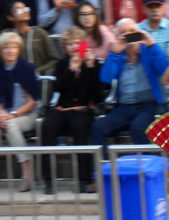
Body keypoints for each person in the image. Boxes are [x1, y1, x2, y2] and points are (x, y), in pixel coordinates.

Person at [40, 26, 102, 195]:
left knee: (78, 127)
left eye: (77, 43)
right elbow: (58, 88)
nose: (74, 47)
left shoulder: (93, 63)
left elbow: (96, 96)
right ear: (64, 47)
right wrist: (71, 70)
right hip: (63, 108)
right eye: (69, 44)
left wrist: (89, 68)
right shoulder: (62, 64)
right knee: (47, 126)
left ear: (84, 44)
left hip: (82, 110)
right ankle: (49, 180)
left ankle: (85, 179)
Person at [90, 20, 169, 148]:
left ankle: (143, 166)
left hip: (148, 106)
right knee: (98, 127)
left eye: (132, 31)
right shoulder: (117, 55)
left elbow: (164, 71)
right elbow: (106, 78)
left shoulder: (149, 50)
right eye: (123, 33)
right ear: (118, 38)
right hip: (124, 107)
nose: (129, 35)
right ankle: (105, 167)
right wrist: (114, 54)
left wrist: (153, 45)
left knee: (137, 127)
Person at [0, 31, 37, 192]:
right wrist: (1, 114)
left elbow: (32, 102)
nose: (10, 50)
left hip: (28, 113)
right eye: (6, 47)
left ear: (19, 50)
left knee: (11, 125)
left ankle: (27, 173)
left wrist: (12, 115)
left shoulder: (27, 69)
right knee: (7, 123)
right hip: (5, 113)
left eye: (13, 47)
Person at [4, 1, 59, 75]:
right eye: (19, 10)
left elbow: (55, 59)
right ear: (10, 17)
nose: (24, 11)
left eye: (26, 9)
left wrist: (37, 71)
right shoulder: (7, 35)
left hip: (38, 79)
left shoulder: (39, 32)